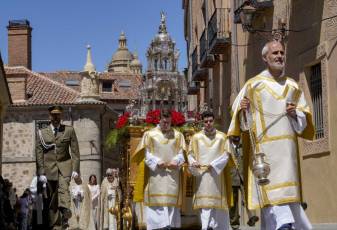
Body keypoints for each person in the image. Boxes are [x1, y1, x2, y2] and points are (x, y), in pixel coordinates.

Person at [228, 40, 315, 230]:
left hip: (287, 155)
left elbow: (303, 124)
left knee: (287, 200)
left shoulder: (292, 85)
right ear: (265, 58)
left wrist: (295, 114)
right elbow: (241, 123)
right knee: (274, 202)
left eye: (282, 53)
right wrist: (243, 111)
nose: (279, 56)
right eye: (275, 53)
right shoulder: (254, 85)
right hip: (265, 156)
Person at [132, 108, 186, 230]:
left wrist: (176, 161)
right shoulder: (150, 134)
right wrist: (157, 162)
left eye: (168, 122)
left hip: (172, 175)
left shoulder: (178, 135)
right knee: (157, 204)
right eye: (164, 122)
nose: (166, 125)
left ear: (171, 121)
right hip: (156, 175)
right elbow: (146, 153)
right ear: (159, 120)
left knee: (170, 204)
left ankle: (170, 226)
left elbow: (182, 153)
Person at [188, 111, 235, 230]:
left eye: (210, 121)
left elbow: (226, 155)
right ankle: (206, 227)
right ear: (202, 122)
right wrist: (194, 162)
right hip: (202, 175)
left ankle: (218, 227)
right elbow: (190, 154)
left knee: (217, 204)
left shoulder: (222, 137)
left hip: (217, 175)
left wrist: (214, 165)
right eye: (206, 121)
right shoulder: (196, 137)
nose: (208, 123)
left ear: (214, 121)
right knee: (205, 204)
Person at [36, 105, 81, 229]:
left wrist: (76, 169)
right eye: (53, 115)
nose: (56, 117)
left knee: (64, 188)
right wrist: (41, 172)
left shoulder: (69, 130)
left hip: (65, 167)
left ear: (61, 116)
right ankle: (55, 225)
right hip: (49, 170)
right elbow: (39, 153)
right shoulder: (42, 132)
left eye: (58, 115)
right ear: (49, 116)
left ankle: (65, 211)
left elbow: (75, 152)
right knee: (53, 199)